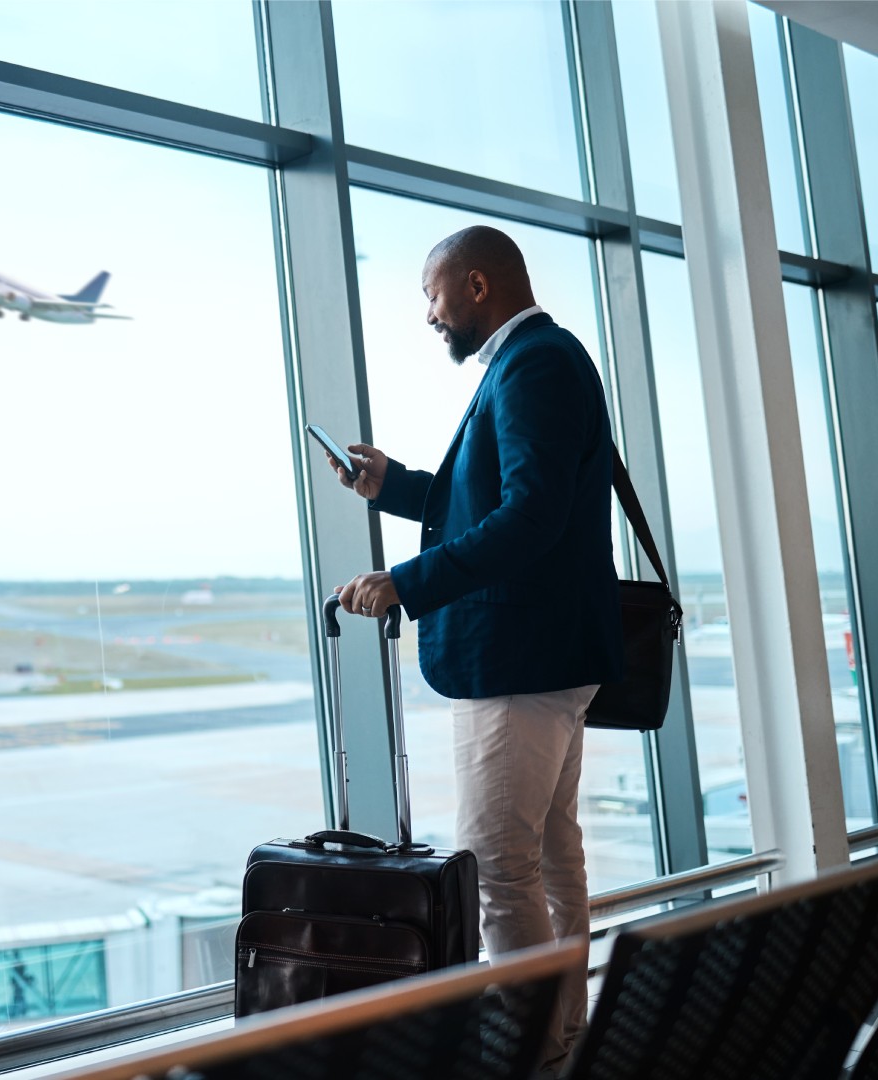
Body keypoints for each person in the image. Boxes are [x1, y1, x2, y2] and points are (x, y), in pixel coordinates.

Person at [332, 225, 623, 1074]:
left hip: (520, 659)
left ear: (478, 287)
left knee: (499, 864)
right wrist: (396, 487)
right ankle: (563, 1035)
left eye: (433, 293)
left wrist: (407, 582)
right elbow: (487, 499)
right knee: (552, 855)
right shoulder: (538, 360)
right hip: (552, 656)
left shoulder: (532, 364)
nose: (428, 314)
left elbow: (529, 518)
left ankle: (530, 1052)